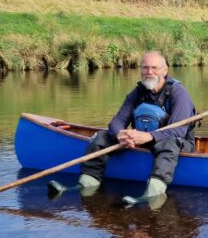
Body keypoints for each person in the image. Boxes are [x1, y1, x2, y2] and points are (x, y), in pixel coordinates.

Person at [51, 51, 197, 203]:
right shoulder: (138, 92)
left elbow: (178, 131)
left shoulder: (178, 93)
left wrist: (148, 137)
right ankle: (87, 184)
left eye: (154, 68)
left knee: (169, 143)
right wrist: (121, 135)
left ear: (165, 70)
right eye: (145, 68)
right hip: (143, 141)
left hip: (177, 144)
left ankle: (153, 193)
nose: (149, 72)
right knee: (102, 136)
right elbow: (117, 122)